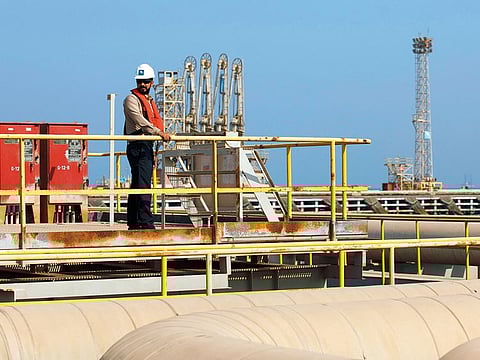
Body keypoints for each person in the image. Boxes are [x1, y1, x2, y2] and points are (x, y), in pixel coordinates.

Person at [124, 63, 170, 230]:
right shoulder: (131, 100)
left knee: (138, 182)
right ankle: (145, 221)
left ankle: (135, 221)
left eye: (145, 81)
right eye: (139, 81)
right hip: (137, 145)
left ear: (151, 83)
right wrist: (160, 133)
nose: (142, 84)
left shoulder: (149, 102)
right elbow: (140, 121)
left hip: (147, 145)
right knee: (142, 184)